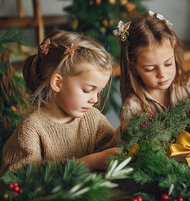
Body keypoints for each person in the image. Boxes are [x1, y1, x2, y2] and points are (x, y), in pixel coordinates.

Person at [1, 30, 119, 174]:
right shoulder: (31, 129)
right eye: (88, 90)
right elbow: (22, 182)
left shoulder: (93, 118)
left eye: (99, 91)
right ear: (58, 83)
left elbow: (114, 147)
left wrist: (126, 132)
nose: (94, 99)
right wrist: (90, 162)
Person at [115, 11, 190, 131]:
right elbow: (133, 146)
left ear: (175, 55)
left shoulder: (188, 85)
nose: (162, 74)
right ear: (134, 68)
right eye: (150, 69)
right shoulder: (132, 107)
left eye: (168, 63)